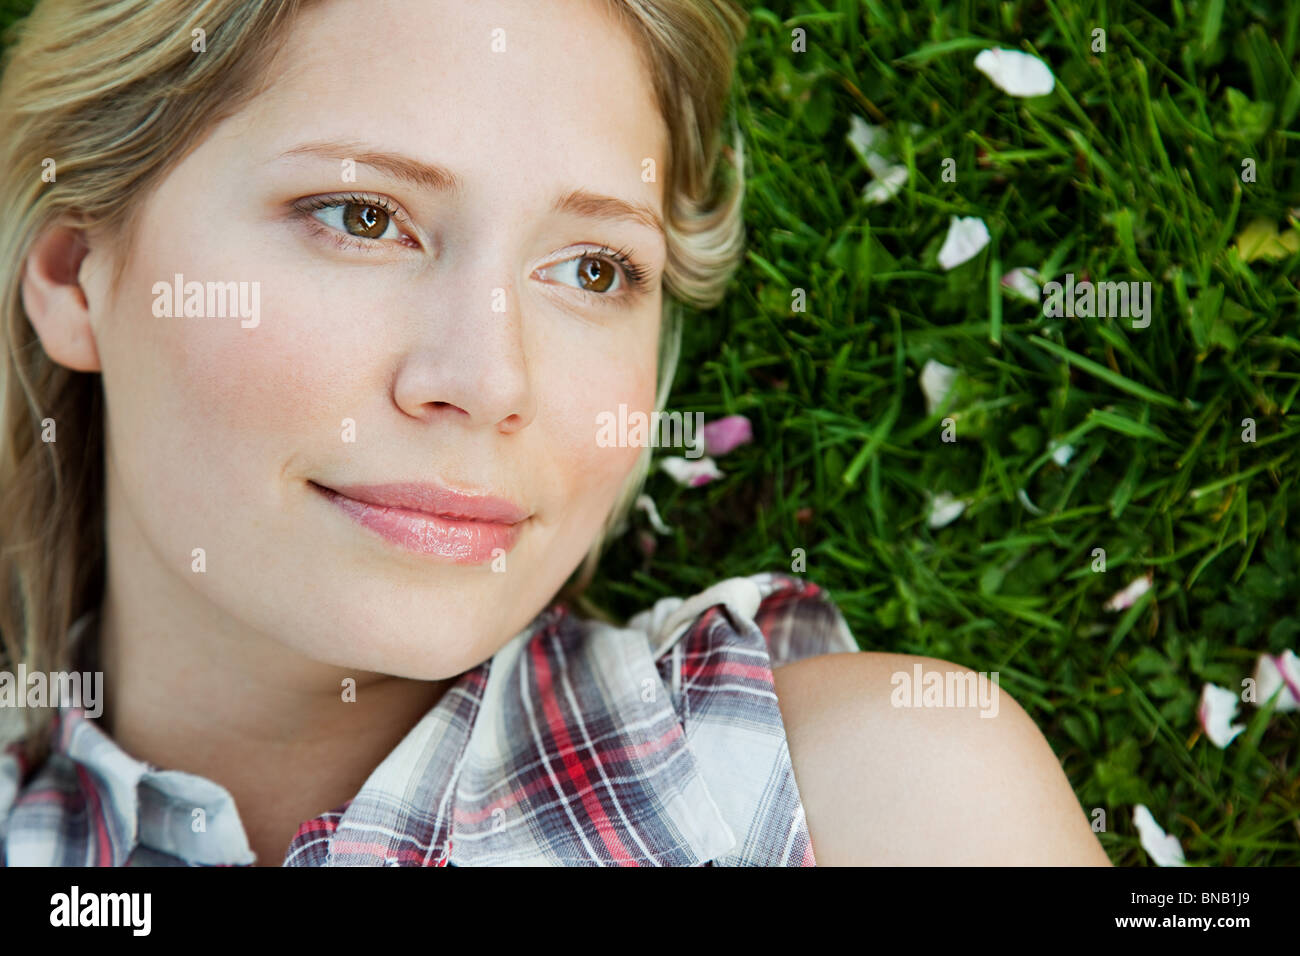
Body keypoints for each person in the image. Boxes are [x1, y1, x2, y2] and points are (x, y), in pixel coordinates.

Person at [0, 0, 1110, 866]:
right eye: (362, 217)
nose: (489, 378)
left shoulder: (880, 800)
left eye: (592, 269)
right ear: (77, 275)